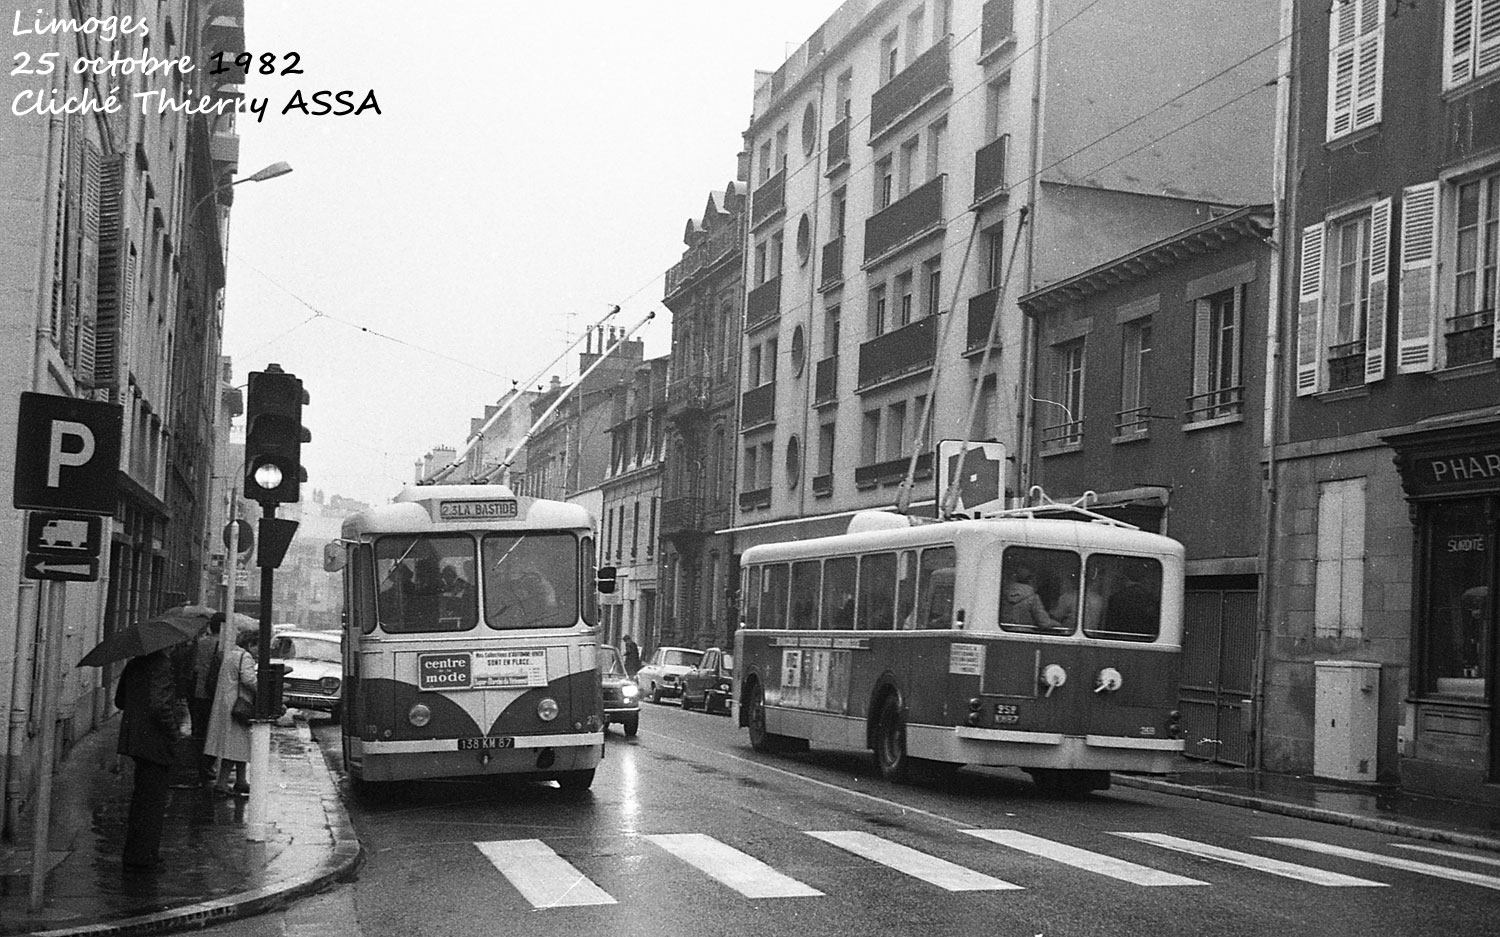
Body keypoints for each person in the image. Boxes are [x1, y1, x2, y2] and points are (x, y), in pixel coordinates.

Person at [115, 646, 180, 871]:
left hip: (136, 739)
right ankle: (144, 856)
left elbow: (119, 701)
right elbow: (160, 706)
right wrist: (174, 732)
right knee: (153, 801)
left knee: (141, 797)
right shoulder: (161, 665)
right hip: (155, 740)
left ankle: (136, 852)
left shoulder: (134, 662)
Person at [204, 627, 258, 796]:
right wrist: (265, 690)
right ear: (250, 644)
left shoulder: (231, 654)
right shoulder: (245, 657)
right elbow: (249, 680)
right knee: (233, 745)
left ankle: (241, 780)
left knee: (240, 744)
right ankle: (221, 783)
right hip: (238, 706)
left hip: (227, 704)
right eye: (258, 647)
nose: (259, 652)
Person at [1104, 559, 1160, 635]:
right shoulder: (1151, 599)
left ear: (1125, 577)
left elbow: (1109, 626)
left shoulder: (1115, 598)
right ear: (1144, 578)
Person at [999, 566, 1058, 630]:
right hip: (1026, 634)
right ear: (1030, 580)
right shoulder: (1033, 597)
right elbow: (1044, 622)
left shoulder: (1001, 594)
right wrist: (1059, 625)